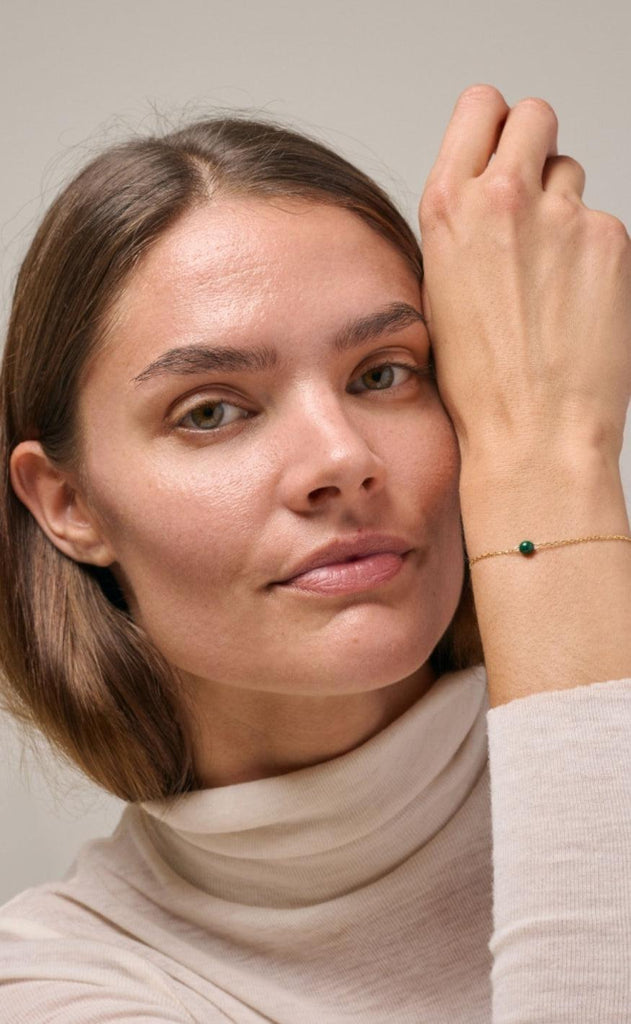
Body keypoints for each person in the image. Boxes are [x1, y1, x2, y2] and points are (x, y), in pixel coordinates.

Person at [0, 82, 629, 1022]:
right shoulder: (61, 984)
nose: (341, 458)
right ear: (69, 504)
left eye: (382, 374)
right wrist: (547, 460)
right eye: (211, 411)